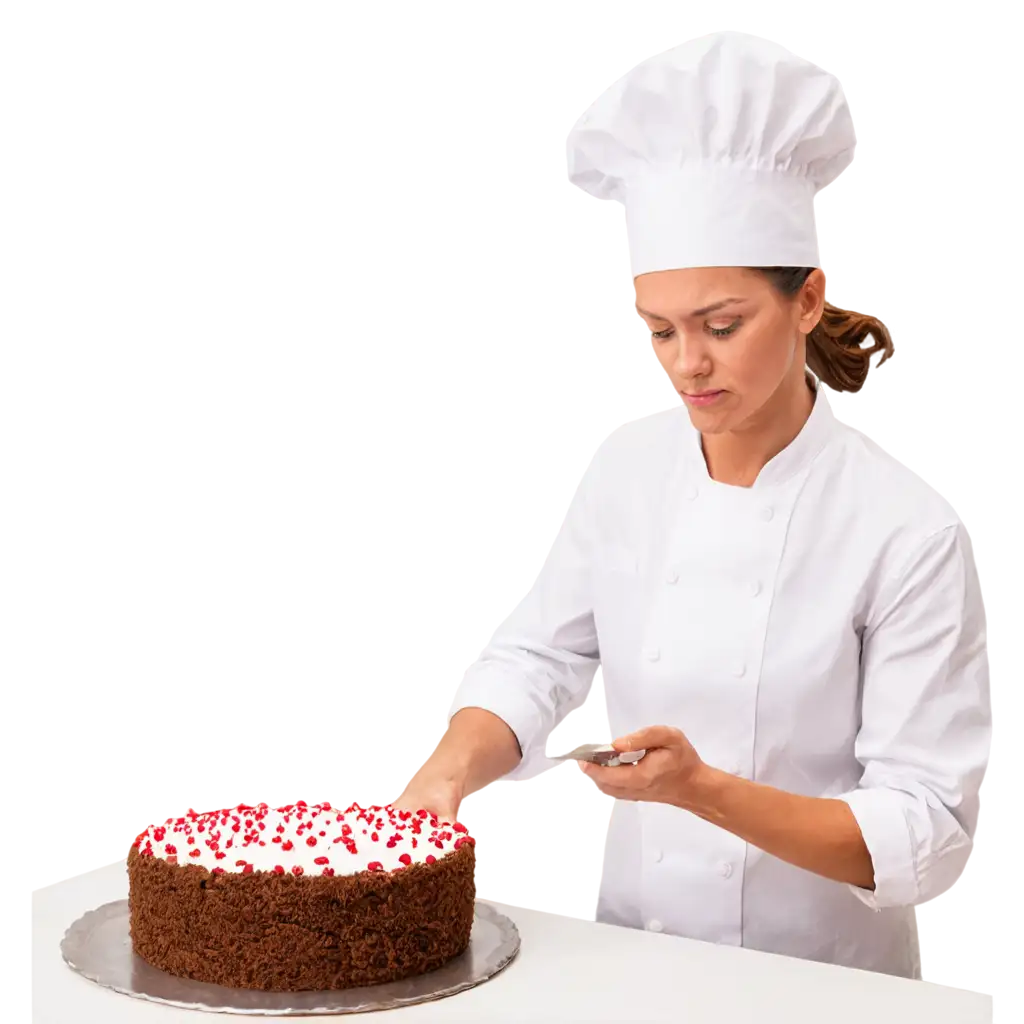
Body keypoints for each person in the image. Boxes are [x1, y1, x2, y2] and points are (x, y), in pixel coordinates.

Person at [392, 29, 991, 978]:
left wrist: (701, 789)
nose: (688, 365)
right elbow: (541, 650)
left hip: (819, 978)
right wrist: (452, 760)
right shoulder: (626, 466)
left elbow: (922, 824)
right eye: (659, 331)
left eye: (722, 326)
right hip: (634, 953)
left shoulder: (905, 529)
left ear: (806, 301)